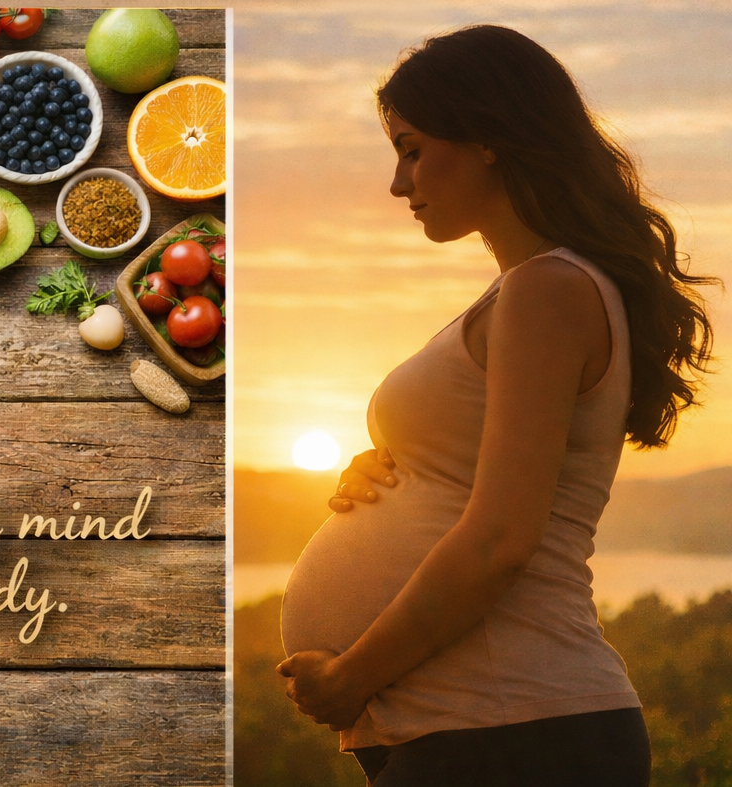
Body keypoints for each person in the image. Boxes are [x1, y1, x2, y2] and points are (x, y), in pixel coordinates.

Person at [275, 25, 714, 787]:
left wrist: (351, 674)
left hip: (517, 729)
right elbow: (480, 477)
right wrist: (397, 474)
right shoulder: (531, 291)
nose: (397, 182)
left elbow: (502, 538)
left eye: (412, 148)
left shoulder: (548, 288)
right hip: (488, 728)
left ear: (485, 137)